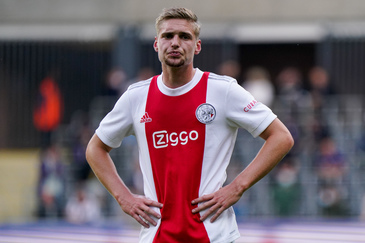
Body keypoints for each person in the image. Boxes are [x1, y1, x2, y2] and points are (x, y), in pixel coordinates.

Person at [86, 7, 294, 243]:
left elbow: (281, 137)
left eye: (184, 36)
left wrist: (237, 187)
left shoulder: (222, 90)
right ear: (156, 44)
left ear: (197, 46)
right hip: (157, 235)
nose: (175, 43)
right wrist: (123, 197)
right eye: (168, 36)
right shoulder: (136, 97)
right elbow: (95, 148)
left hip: (216, 235)